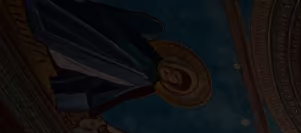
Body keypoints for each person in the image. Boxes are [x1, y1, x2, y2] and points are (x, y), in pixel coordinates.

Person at [24, 0, 210, 113]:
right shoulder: (151, 50)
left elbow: (111, 90)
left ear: (169, 86)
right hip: (99, 30)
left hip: (93, 49)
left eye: (172, 79)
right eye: (175, 72)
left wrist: (69, 99)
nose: (169, 73)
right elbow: (125, 27)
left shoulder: (143, 81)